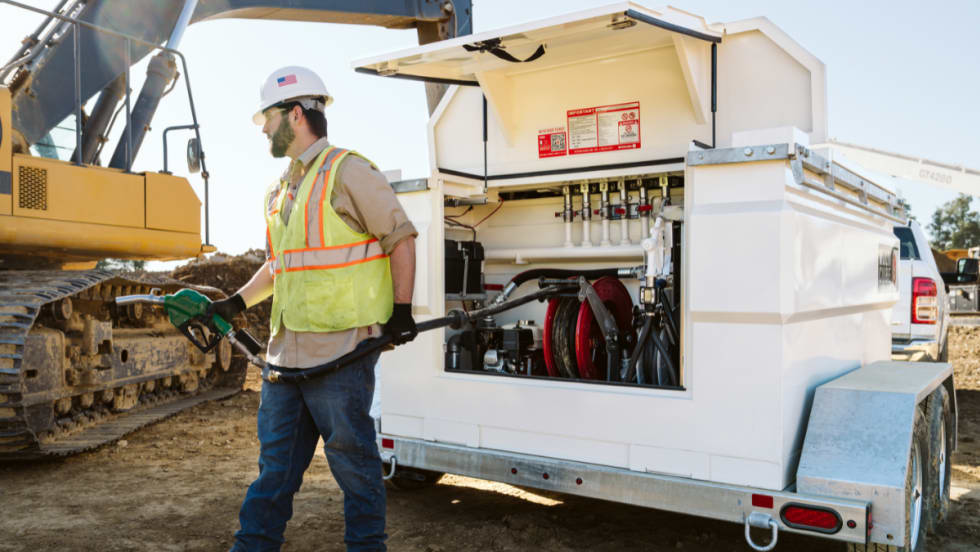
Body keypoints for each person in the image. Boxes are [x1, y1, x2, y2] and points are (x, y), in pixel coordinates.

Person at [211, 66, 418, 552]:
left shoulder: (349, 172)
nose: (263, 127)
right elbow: (280, 265)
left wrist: (402, 311)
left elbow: (401, 239)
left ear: (296, 113)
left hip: (342, 354)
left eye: (268, 117)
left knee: (357, 472)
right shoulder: (279, 190)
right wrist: (237, 300)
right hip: (285, 359)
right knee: (273, 475)